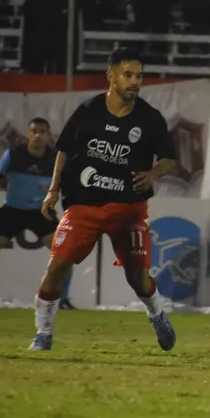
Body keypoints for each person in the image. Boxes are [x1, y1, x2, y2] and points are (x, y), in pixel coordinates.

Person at [30, 48, 178, 351]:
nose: (135, 81)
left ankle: (156, 312)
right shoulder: (88, 111)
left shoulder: (150, 119)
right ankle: (43, 334)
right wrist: (53, 189)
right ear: (111, 77)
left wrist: (152, 173)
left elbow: (169, 160)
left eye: (139, 76)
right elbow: (65, 150)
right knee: (56, 267)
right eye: (128, 75)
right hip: (85, 205)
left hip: (130, 210)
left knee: (138, 280)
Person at [0, 118, 75, 309]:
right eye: (34, 131)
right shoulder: (14, 154)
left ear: (48, 135)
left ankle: (65, 301)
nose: (38, 135)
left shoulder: (55, 159)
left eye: (42, 132)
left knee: (66, 255)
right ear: (28, 134)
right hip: (12, 211)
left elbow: (69, 186)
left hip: (41, 212)